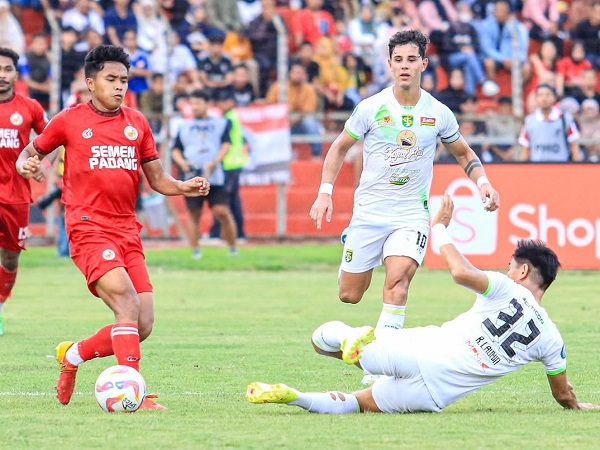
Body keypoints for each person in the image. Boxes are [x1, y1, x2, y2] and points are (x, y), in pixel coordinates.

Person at [247, 192, 600, 414]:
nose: (506, 271)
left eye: (510, 267)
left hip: (420, 350)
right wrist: (578, 405)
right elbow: (562, 393)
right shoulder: (551, 339)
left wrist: (440, 227)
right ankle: (295, 397)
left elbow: (461, 272)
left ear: (523, 271)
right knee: (359, 403)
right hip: (434, 393)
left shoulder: (508, 290)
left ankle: (346, 338)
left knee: (320, 338)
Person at [15, 45, 210, 409]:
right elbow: (31, 152)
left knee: (143, 323)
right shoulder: (70, 120)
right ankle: (134, 390)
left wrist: (182, 186)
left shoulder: (137, 123)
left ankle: (73, 355)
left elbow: (157, 177)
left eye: (123, 80)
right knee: (126, 302)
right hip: (87, 227)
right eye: (111, 79)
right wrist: (25, 165)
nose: (119, 86)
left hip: (126, 231)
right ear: (91, 83)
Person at [308, 29, 499, 385]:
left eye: (412, 60)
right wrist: (324, 191)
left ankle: (379, 366)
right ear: (390, 65)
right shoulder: (371, 107)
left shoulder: (438, 113)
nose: (405, 66)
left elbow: (464, 153)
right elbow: (338, 148)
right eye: (398, 60)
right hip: (368, 213)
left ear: (424, 64)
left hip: (411, 214)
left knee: (398, 282)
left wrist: (483, 183)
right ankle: (352, 244)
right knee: (349, 296)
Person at [0, 47, 50, 336]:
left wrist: (42, 164)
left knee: (9, 258)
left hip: (16, 195)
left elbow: (53, 139)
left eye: (7, 69)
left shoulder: (29, 108)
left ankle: (1, 305)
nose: (1, 75)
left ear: (17, 74)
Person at [171, 89, 238, 259]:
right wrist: (182, 163)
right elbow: (176, 150)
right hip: (192, 176)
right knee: (194, 213)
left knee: (221, 211)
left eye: (198, 103)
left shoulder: (220, 123)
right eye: (192, 103)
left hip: (214, 176)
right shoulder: (184, 126)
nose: (194, 107)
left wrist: (215, 161)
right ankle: (195, 250)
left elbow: (226, 144)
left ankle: (232, 248)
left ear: (207, 104)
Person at [208, 87, 249, 241]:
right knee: (231, 200)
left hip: (229, 163)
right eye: (220, 101)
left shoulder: (228, 119)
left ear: (232, 102)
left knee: (225, 200)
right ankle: (236, 233)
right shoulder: (234, 117)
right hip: (234, 163)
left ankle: (222, 233)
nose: (221, 104)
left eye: (225, 101)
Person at [518, 83, 582, 162]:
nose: (544, 98)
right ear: (536, 98)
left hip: (560, 167)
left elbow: (574, 147)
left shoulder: (565, 119)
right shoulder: (529, 121)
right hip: (537, 168)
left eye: (547, 95)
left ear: (554, 97)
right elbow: (525, 150)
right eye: (540, 95)